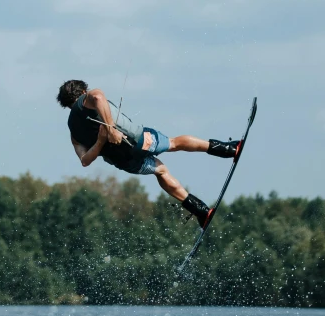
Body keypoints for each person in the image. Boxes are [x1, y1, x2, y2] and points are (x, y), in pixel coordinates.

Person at [56, 79, 241, 229]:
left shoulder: (73, 132)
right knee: (173, 143)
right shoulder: (85, 99)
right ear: (81, 93)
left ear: (66, 105)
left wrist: (99, 142)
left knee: (161, 171)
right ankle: (228, 150)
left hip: (125, 161)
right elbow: (97, 96)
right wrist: (110, 130)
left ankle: (201, 211)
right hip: (137, 141)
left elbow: (85, 160)